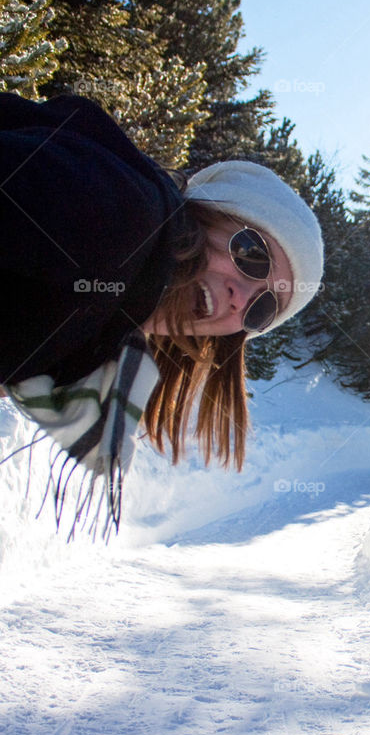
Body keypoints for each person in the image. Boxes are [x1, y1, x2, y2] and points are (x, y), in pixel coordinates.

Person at [0, 92, 324, 534]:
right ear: (210, 212)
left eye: (262, 309)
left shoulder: (108, 320)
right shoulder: (122, 215)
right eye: (251, 254)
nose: (240, 297)